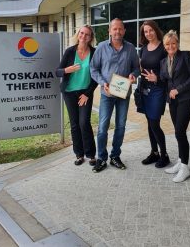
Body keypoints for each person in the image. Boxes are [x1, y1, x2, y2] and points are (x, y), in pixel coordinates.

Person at [90, 18, 140, 173]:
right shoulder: (101, 48)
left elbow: (136, 68)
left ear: (124, 31)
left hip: (123, 94)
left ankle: (115, 156)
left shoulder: (130, 48)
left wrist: (133, 75)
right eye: (114, 29)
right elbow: (93, 68)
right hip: (107, 93)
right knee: (103, 127)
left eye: (120, 29)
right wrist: (102, 82)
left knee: (120, 126)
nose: (117, 31)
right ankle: (101, 158)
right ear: (109, 31)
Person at [56, 25, 97, 166]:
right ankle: (79, 155)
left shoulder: (94, 52)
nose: (83, 36)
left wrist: (87, 94)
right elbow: (58, 72)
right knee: (74, 125)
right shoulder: (70, 51)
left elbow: (96, 77)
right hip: (69, 92)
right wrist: (67, 70)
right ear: (78, 34)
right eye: (82, 33)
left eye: (87, 34)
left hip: (85, 93)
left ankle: (91, 154)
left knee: (84, 122)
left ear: (91, 37)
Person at [160, 30, 190, 182]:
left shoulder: (186, 56)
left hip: (186, 98)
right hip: (173, 101)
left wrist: (178, 89)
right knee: (177, 132)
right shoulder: (163, 62)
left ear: (178, 43)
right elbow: (165, 80)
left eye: (173, 43)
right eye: (168, 44)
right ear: (164, 46)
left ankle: (185, 168)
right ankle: (181, 161)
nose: (171, 46)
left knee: (180, 131)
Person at [138, 20, 170, 168]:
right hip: (145, 89)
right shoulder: (143, 48)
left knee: (154, 122)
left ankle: (164, 155)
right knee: (149, 123)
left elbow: (170, 72)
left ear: (156, 30)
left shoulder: (164, 48)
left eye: (150, 30)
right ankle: (154, 152)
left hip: (158, 89)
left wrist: (157, 77)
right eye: (145, 31)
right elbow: (140, 67)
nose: (148, 33)